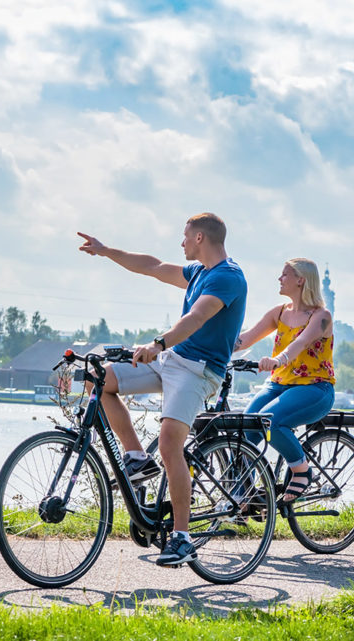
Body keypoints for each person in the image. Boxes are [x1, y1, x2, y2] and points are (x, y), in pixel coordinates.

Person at [77, 213, 247, 566]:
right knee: (99, 380)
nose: (181, 242)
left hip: (199, 371)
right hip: (172, 359)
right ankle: (137, 457)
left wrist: (157, 344)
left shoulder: (228, 277)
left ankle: (182, 538)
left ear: (200, 238)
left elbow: (196, 318)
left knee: (170, 444)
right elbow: (152, 266)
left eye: (185, 236)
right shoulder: (198, 272)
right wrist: (106, 251)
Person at [234, 258, 335, 503]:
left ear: (301, 280)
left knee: (271, 422)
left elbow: (300, 343)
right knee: (245, 430)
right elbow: (244, 339)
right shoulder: (279, 312)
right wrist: (211, 346)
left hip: (314, 387)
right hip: (278, 384)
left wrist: (277, 360)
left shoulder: (321, 316)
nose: (279, 279)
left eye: (284, 275)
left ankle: (301, 470)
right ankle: (243, 497)